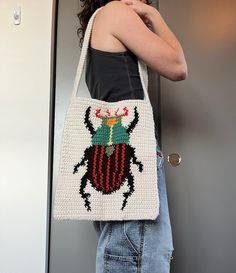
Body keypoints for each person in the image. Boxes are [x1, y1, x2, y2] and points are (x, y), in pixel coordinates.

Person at [77, 0, 188, 272]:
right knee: (141, 255)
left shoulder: (100, 23)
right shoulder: (116, 12)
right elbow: (178, 66)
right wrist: (153, 15)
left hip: (113, 155)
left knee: (128, 250)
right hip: (129, 153)